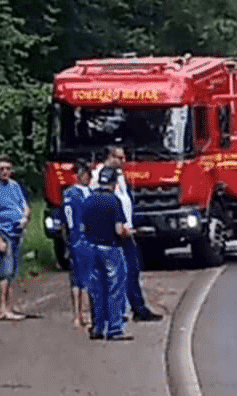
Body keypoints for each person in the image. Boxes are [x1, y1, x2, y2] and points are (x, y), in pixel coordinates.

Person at [91, 146, 162, 322]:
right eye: (120, 158)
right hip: (113, 233)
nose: (124, 162)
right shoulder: (100, 177)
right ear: (109, 157)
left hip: (126, 230)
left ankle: (137, 307)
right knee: (115, 274)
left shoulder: (120, 176)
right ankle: (116, 313)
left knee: (132, 270)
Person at [82, 167, 133, 341]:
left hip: (91, 247)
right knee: (115, 288)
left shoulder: (88, 200)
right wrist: (130, 233)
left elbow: (83, 227)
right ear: (114, 182)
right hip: (111, 248)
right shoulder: (114, 201)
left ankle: (97, 327)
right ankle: (115, 328)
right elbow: (119, 230)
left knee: (96, 289)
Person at [0, 155, 31, 321]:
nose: (5, 172)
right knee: (4, 271)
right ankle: (2, 308)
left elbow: (24, 206)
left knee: (13, 271)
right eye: (1, 169)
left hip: (17, 232)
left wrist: (25, 217)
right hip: (2, 231)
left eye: (7, 168)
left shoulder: (14, 186)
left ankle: (10, 306)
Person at [62, 161, 93, 328]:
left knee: (77, 278)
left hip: (75, 238)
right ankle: (83, 315)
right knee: (85, 278)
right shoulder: (80, 194)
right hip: (83, 237)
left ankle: (78, 315)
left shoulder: (68, 193)